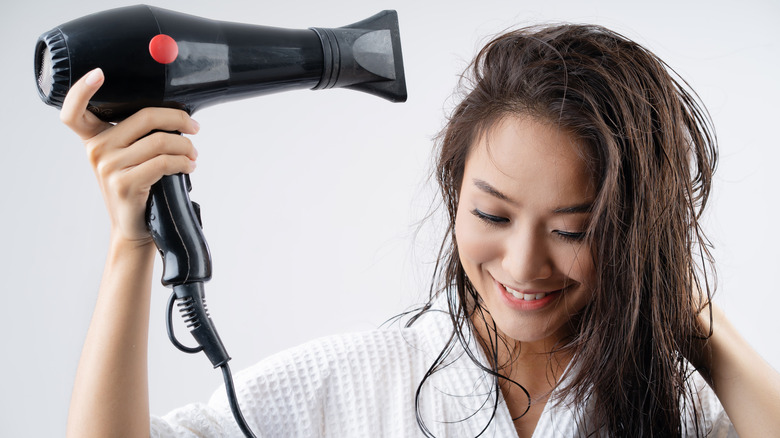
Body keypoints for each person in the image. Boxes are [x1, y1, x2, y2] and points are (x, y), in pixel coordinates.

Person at [61, 24, 780, 437]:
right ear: (453, 193)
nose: (524, 264)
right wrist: (132, 247)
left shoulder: (675, 412)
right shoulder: (353, 383)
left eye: (575, 229)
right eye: (492, 216)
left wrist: (683, 312)